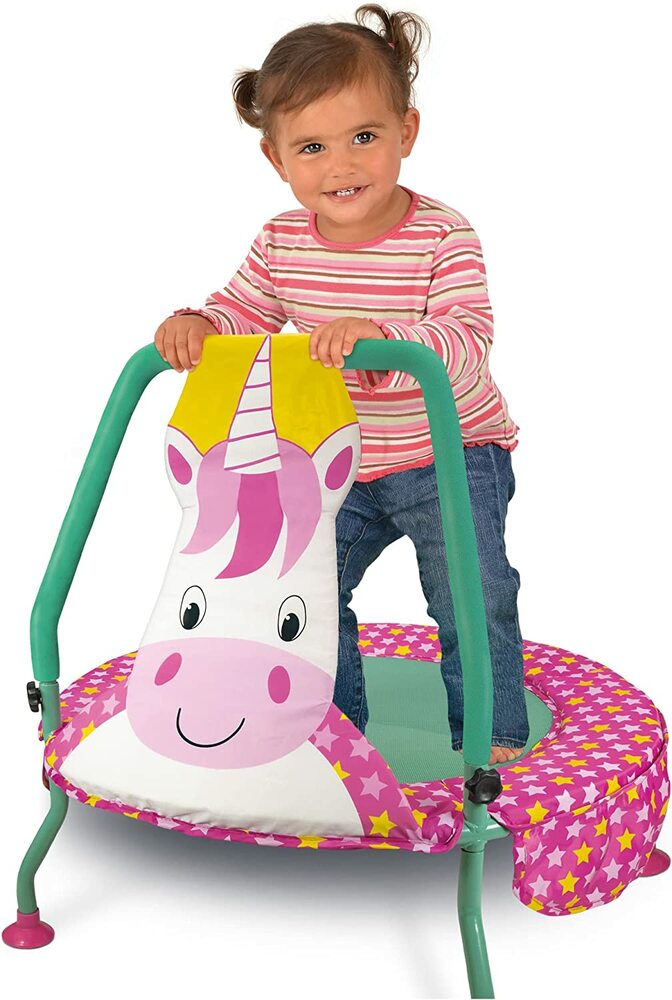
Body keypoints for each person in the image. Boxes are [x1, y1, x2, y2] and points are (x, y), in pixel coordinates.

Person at [154, 4, 530, 765]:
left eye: (364, 137)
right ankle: (333, 738)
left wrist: (383, 338)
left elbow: (466, 339)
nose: (342, 166)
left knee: (472, 593)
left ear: (406, 133)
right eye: (313, 147)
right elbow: (243, 312)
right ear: (276, 159)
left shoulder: (443, 235)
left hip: (450, 454)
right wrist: (199, 323)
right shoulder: (281, 242)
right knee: (303, 592)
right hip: (340, 461)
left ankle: (492, 738)